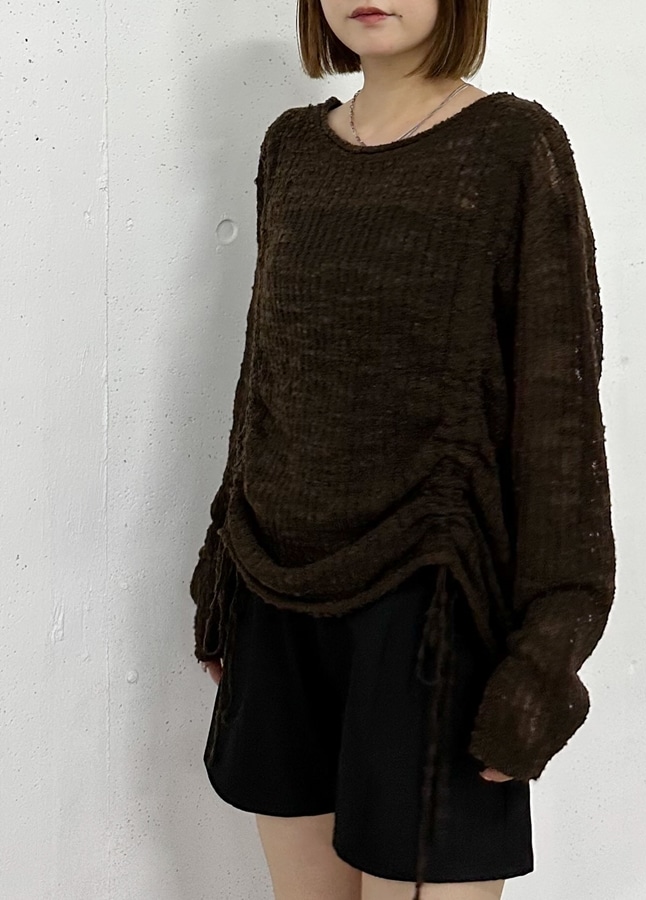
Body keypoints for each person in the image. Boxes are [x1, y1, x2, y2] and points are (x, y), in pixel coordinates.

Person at [190, 1, 616, 899]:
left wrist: (549, 649)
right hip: (278, 594)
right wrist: (222, 569)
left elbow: (560, 411)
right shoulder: (291, 148)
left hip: (432, 595)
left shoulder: (512, 145)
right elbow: (267, 367)